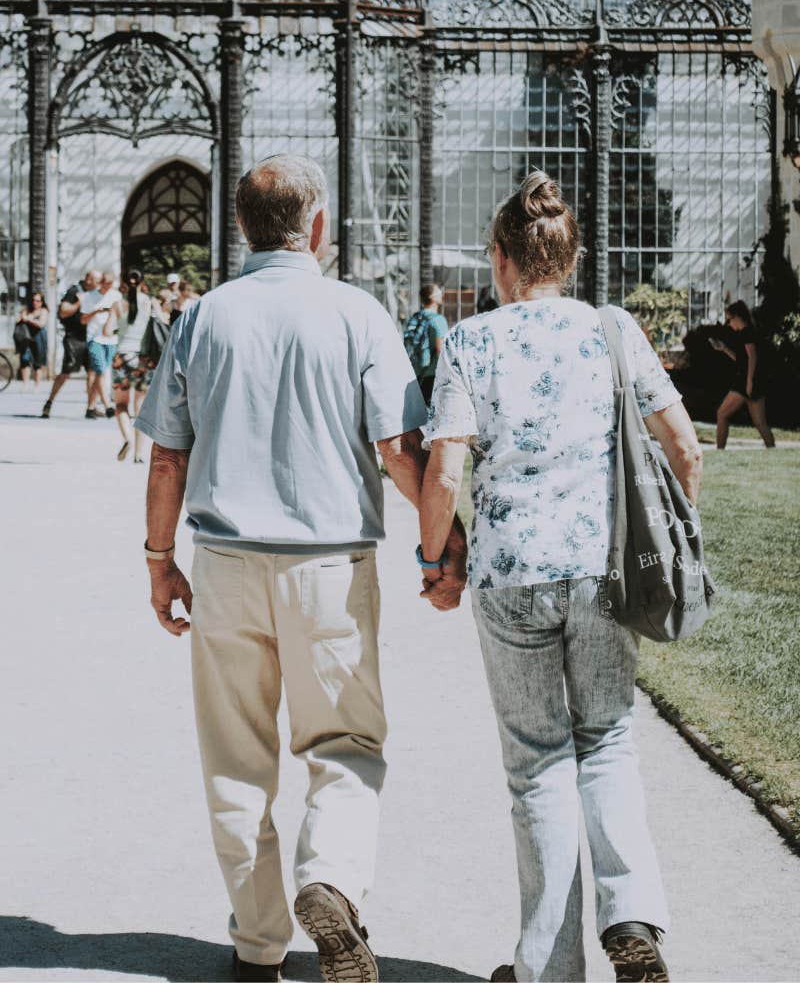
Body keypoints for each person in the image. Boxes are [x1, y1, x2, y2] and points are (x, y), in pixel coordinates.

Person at [135, 154, 466, 983]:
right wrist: (440, 545)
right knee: (345, 742)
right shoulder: (357, 313)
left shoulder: (201, 318)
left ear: (244, 227)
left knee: (236, 761)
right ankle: (331, 877)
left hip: (224, 564)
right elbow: (398, 448)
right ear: (316, 226)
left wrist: (158, 560)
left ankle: (256, 945)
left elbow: (167, 460)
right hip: (328, 565)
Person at [417, 171, 703, 983]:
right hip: (601, 571)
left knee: (537, 762)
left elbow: (442, 476)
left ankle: (548, 967)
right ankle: (633, 916)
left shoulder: (473, 340)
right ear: (567, 260)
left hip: (511, 574)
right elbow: (683, 446)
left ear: (504, 261)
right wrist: (677, 540)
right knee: (607, 741)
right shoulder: (613, 330)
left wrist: (434, 558)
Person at [711, 300, 775, 449]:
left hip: (745, 383)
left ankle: (720, 450)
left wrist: (749, 382)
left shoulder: (747, 333)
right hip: (749, 382)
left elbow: (753, 357)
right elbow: (742, 360)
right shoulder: (745, 333)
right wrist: (724, 349)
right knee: (760, 423)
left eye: (729, 319)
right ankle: (772, 450)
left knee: (722, 414)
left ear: (738, 317)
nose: (728, 323)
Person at [108, 269, 153, 463]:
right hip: (142, 358)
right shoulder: (148, 302)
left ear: (125, 283)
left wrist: (120, 328)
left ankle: (127, 439)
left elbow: (106, 329)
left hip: (122, 357)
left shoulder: (118, 304)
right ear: (142, 282)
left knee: (120, 405)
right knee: (140, 407)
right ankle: (139, 454)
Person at [41, 270, 100, 418]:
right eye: (96, 281)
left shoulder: (95, 293)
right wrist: (80, 301)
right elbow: (63, 312)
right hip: (74, 338)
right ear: (88, 279)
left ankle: (90, 407)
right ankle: (49, 402)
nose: (98, 285)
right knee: (66, 373)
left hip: (91, 337)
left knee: (93, 372)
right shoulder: (75, 291)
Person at [80, 270, 122, 419]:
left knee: (102, 373)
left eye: (111, 284)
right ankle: (107, 405)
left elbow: (121, 317)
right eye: (106, 284)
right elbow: (83, 320)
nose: (108, 287)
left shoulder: (116, 296)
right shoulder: (90, 296)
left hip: (111, 339)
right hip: (95, 338)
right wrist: (96, 312)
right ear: (100, 282)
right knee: (101, 370)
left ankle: (90, 408)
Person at [402, 283, 450, 405]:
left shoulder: (416, 317)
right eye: (439, 292)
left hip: (414, 373)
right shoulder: (439, 320)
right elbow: (441, 349)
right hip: (431, 374)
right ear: (433, 297)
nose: (442, 294)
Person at [15, 292, 49, 389]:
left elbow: (41, 324)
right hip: (26, 337)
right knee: (24, 359)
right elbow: (18, 320)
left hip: (39, 337)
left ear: (42, 302)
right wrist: (22, 318)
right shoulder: (27, 310)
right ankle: (25, 384)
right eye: (33, 300)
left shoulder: (44, 311)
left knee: (38, 362)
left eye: (38, 301)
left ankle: (36, 386)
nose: (35, 303)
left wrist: (29, 319)